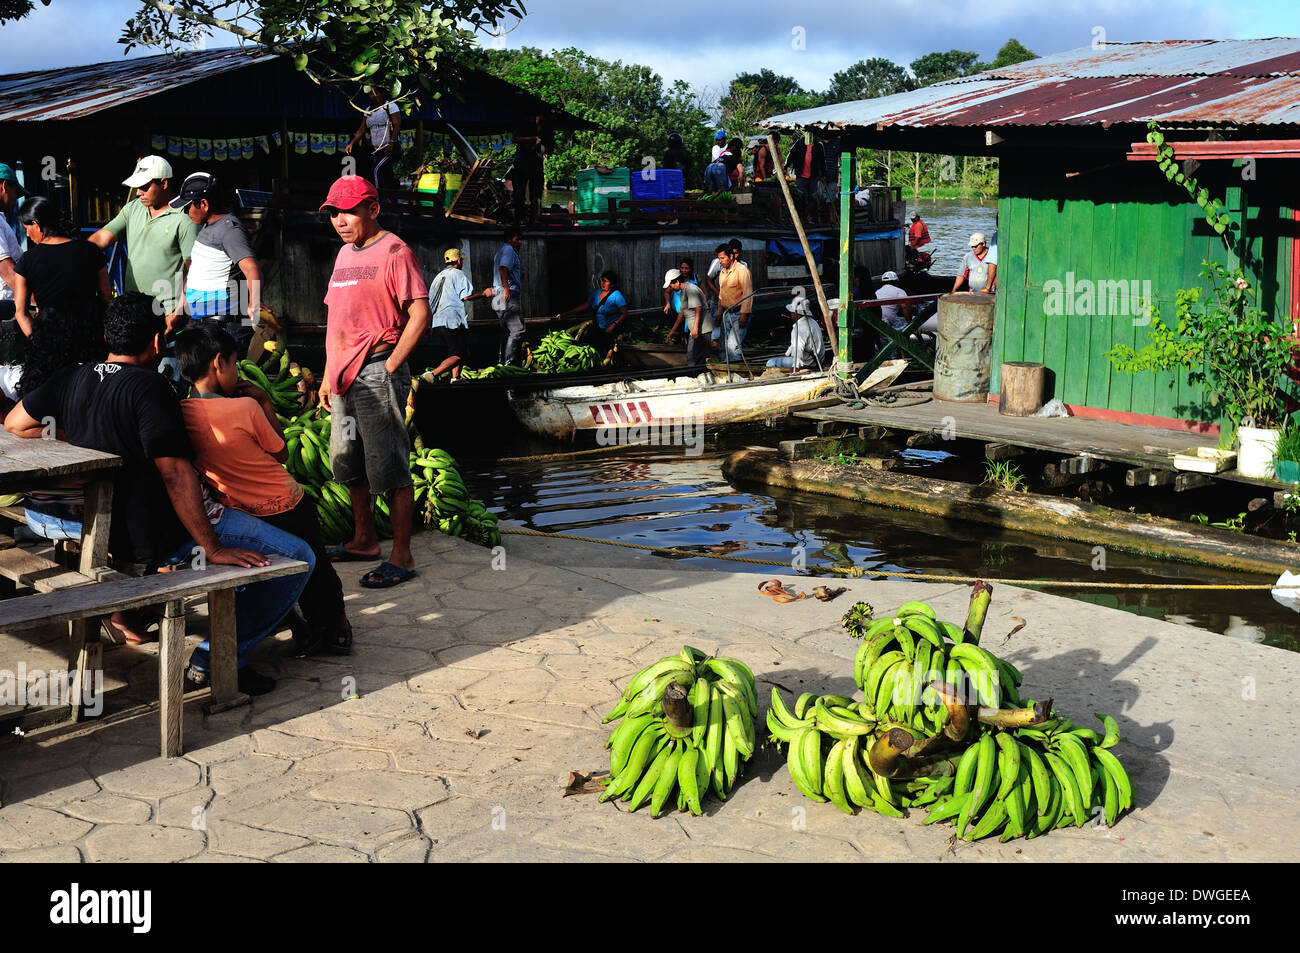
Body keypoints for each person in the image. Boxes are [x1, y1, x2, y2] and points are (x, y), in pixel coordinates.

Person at [3, 293, 315, 694]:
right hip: (154, 532)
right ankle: (216, 657)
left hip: (98, 522)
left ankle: (131, 617)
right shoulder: (152, 388)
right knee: (299, 557)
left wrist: (86, 443)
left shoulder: (72, 376)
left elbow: (15, 422)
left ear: (107, 337)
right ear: (154, 344)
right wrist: (213, 547)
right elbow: (176, 476)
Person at [175, 324, 352, 656]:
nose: (237, 370)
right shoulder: (246, 408)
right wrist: (264, 402)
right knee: (318, 570)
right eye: (234, 363)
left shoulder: (181, 413)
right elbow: (281, 453)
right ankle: (335, 625)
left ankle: (296, 624)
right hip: (288, 503)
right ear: (218, 363)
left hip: (240, 511)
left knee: (262, 572)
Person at [318, 175, 429, 589]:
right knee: (348, 460)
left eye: (348, 211)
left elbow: (420, 315)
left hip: (378, 369)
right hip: (344, 376)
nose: (340, 220)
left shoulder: (395, 250)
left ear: (373, 209)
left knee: (390, 464)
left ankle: (402, 555)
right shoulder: (345, 255)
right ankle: (364, 540)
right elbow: (336, 321)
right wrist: (329, 375)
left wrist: (392, 365)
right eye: (333, 213)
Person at [12, 197, 110, 396]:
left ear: (36, 225)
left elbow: (21, 313)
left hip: (49, 348)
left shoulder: (28, 260)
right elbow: (106, 299)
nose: (28, 235)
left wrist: (39, 341)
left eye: (27, 229)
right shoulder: (90, 251)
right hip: (89, 342)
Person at [88, 156, 199, 332]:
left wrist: (178, 313)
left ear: (163, 184)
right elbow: (102, 239)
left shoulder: (184, 218)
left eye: (144, 187)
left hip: (166, 314)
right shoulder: (132, 209)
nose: (138, 192)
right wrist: (74, 253)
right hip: (134, 311)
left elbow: (193, 271)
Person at [169, 172, 261, 357]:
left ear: (204, 204)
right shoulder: (208, 227)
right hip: (201, 323)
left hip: (224, 327)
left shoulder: (230, 230)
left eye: (188, 207)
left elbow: (251, 268)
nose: (185, 213)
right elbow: (196, 272)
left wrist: (254, 304)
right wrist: (178, 311)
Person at [425, 247, 479, 382]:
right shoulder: (458, 274)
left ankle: (455, 378)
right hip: (452, 320)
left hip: (438, 321)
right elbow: (466, 297)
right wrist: (484, 294)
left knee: (456, 351)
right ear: (459, 261)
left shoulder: (438, 277)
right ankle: (432, 374)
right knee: (460, 354)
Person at [557, 270, 627, 353]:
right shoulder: (596, 293)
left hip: (611, 331)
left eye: (605, 281)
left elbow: (624, 313)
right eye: (602, 280)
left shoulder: (616, 295)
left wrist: (613, 325)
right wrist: (566, 313)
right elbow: (584, 306)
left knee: (609, 352)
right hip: (598, 329)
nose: (602, 283)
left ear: (612, 284)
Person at [346, 88, 401, 193]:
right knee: (384, 174)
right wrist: (352, 143)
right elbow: (362, 128)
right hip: (377, 150)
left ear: (382, 93)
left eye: (375, 93)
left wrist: (392, 143)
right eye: (370, 93)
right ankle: (390, 201)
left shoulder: (390, 106)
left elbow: (397, 125)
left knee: (376, 171)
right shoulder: (368, 110)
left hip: (389, 148)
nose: (373, 95)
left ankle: (379, 199)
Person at [714, 242, 753, 361]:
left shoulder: (742, 270)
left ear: (731, 257)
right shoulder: (722, 272)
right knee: (723, 346)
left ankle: (737, 374)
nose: (720, 261)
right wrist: (719, 315)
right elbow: (722, 296)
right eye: (719, 258)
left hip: (739, 313)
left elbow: (748, 294)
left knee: (733, 346)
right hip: (726, 313)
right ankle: (725, 372)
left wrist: (743, 315)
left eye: (722, 258)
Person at [663, 268, 711, 366]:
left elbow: (698, 308)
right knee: (692, 355)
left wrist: (695, 329)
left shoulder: (690, 290)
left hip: (701, 329)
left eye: (671, 284)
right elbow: (682, 314)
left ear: (677, 281)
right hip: (694, 328)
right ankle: (695, 375)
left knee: (696, 356)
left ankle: (698, 376)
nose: (671, 287)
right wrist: (672, 331)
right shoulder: (683, 292)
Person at [492, 226, 525, 365]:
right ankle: (509, 364)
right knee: (517, 330)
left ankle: (501, 362)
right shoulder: (509, 250)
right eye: (517, 239)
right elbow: (503, 269)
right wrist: (506, 289)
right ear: (509, 240)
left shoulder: (500, 252)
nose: (520, 242)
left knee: (505, 330)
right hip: (507, 294)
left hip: (497, 294)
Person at [511, 114, 550, 224]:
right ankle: (519, 220)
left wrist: (540, 148)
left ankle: (535, 220)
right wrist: (532, 139)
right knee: (519, 194)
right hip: (521, 164)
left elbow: (550, 149)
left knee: (536, 194)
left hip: (536, 166)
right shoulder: (525, 125)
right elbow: (514, 138)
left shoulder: (547, 130)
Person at [0, 162, 27, 323]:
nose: (15, 201)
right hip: (5, 312)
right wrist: (39, 299)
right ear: (4, 186)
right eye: (15, 193)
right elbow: (5, 269)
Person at [766, 298, 824, 371]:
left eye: (792, 312)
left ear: (798, 313)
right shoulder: (812, 322)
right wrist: (787, 354)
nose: (791, 313)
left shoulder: (800, 328)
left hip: (807, 362)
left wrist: (795, 366)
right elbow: (795, 343)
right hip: (817, 360)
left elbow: (798, 348)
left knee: (771, 362)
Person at [786, 136, 826, 224]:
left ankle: (809, 217)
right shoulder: (800, 143)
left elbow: (822, 161)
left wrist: (823, 174)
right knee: (801, 197)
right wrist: (786, 166)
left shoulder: (818, 146)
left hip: (813, 176)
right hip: (801, 176)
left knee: (812, 198)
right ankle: (799, 218)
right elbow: (792, 155)